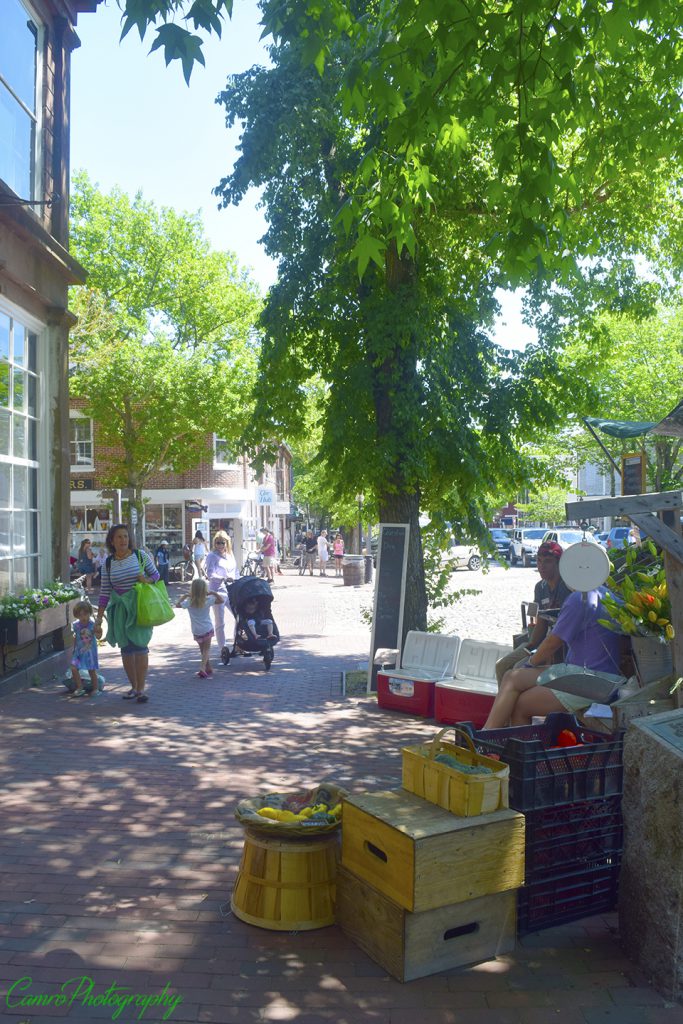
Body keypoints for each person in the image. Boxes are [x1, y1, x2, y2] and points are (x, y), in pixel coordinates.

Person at [483, 585, 623, 729]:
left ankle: (492, 741)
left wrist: (530, 663)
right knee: (511, 676)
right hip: (590, 673)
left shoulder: (579, 598)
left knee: (520, 705)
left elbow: (552, 642)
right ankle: (487, 734)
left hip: (589, 679)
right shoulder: (607, 594)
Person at [94, 523, 159, 704]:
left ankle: (141, 688)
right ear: (112, 541)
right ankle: (134, 686)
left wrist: (145, 579)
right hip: (120, 611)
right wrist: (99, 619)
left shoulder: (140, 556)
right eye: (119, 537)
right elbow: (105, 592)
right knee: (126, 649)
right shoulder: (108, 563)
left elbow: (156, 575)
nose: (123, 540)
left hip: (138, 607)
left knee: (140, 646)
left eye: (125, 536)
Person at [495, 541, 572, 684]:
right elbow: (540, 620)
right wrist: (529, 647)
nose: (541, 566)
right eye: (539, 561)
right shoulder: (540, 587)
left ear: (559, 563)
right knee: (501, 666)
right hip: (540, 642)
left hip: (560, 646)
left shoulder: (567, 587)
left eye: (547, 561)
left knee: (516, 670)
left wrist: (532, 658)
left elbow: (562, 635)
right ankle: (504, 702)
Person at [176, 577, 223, 678]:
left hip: (196, 630)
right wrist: (214, 593)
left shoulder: (189, 602)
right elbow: (221, 600)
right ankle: (202, 668)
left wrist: (184, 596)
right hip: (207, 628)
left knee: (202, 650)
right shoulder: (208, 600)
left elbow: (177, 605)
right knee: (206, 650)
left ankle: (208, 667)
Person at [203, 531, 237, 651]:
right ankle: (223, 648)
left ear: (227, 543)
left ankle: (237, 643)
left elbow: (235, 572)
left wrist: (237, 579)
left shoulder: (230, 555)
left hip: (231, 590)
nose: (220, 545)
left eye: (222, 543)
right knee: (220, 622)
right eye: (217, 543)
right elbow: (210, 574)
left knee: (239, 616)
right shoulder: (212, 556)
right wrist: (223, 578)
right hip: (217, 591)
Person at [70, 599, 101, 698]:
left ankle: (95, 688)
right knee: (74, 668)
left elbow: (99, 636)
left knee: (91, 670)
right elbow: (75, 637)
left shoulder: (92, 625)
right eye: (80, 615)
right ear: (77, 615)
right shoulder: (76, 625)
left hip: (90, 652)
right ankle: (80, 687)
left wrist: (99, 629)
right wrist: (73, 649)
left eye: (85, 614)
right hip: (78, 652)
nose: (83, 617)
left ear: (89, 614)